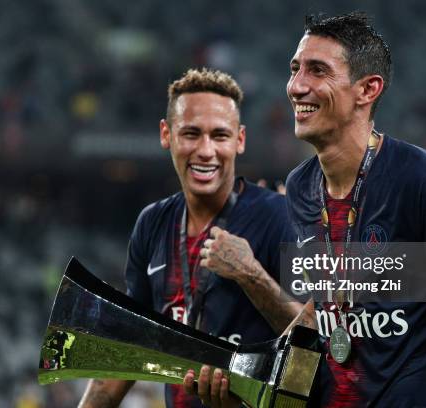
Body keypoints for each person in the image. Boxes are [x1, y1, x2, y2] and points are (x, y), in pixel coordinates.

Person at [185, 12, 426, 407]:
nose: (296, 86)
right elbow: (325, 309)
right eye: (295, 69)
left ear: (367, 89)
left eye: (317, 71)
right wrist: (248, 378)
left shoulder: (425, 182)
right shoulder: (299, 186)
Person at [78, 68, 301, 408]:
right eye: (192, 134)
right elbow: (127, 348)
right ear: (167, 134)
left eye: (220, 136)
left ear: (239, 140)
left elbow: (315, 344)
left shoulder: (279, 216)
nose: (206, 151)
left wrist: (251, 275)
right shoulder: (152, 224)